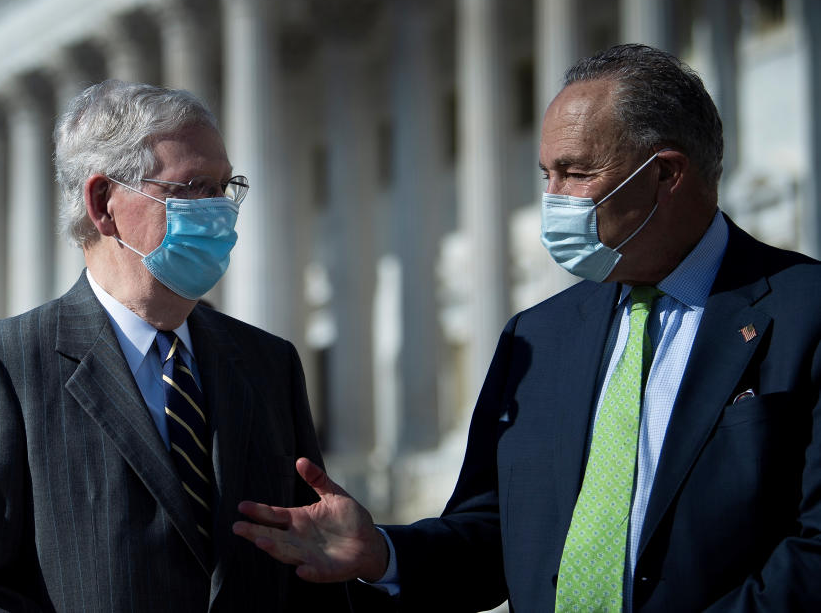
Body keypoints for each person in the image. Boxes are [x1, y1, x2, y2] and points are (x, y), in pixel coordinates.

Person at [233, 44, 821, 611]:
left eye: (574, 173)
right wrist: (382, 552)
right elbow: (494, 535)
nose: (552, 199)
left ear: (665, 174)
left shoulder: (804, 312)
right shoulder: (537, 337)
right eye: (546, 174)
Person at [0, 80, 346, 612]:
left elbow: (310, 570)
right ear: (103, 203)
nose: (218, 212)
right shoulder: (1, 365)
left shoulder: (268, 362)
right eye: (191, 189)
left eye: (224, 188)